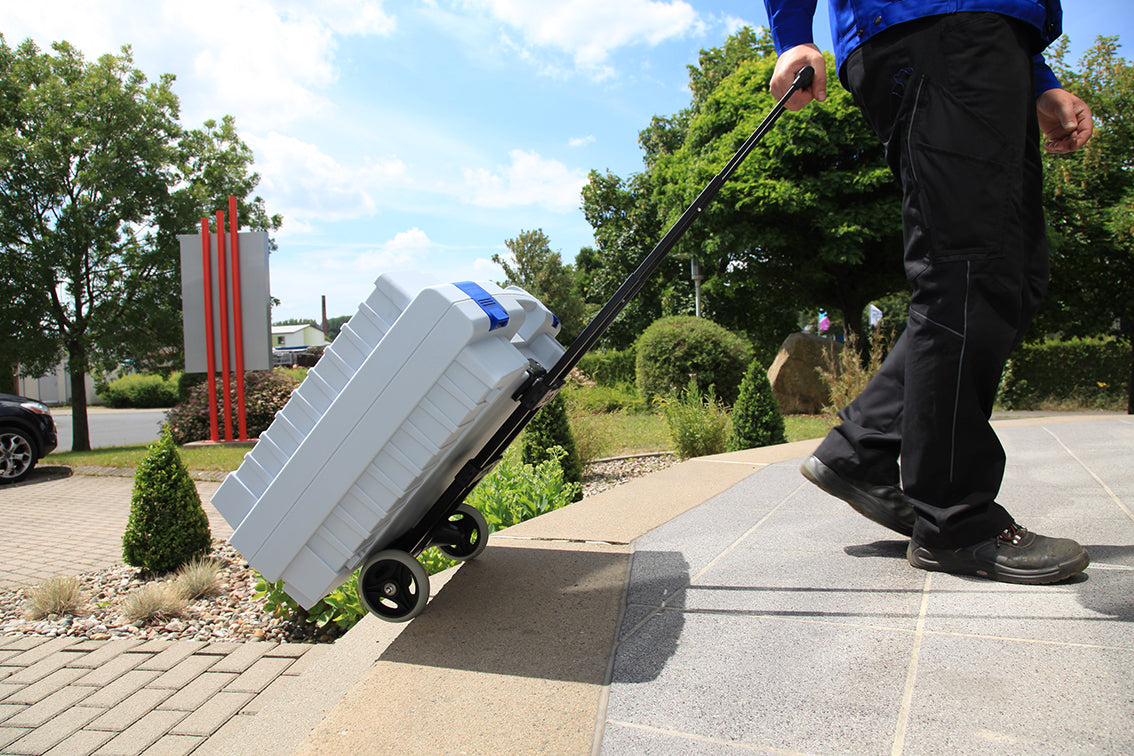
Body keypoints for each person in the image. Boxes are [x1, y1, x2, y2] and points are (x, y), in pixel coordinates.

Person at [763, 0, 1094, 583]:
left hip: (992, 40)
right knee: (968, 267)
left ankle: (864, 451)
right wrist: (792, 33)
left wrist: (1038, 80)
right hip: (934, 28)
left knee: (1014, 275)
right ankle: (954, 520)